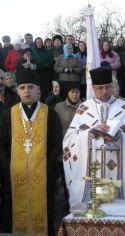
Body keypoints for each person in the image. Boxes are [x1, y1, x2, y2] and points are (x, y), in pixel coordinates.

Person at [63, 67, 125, 208]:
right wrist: (90, 133)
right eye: (99, 88)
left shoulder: (124, 108)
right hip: (93, 166)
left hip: (119, 168)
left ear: (113, 86)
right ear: (93, 88)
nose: (104, 91)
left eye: (107, 87)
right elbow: (69, 140)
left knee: (120, 210)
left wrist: (120, 136)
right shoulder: (84, 108)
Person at [0, 66, 63, 235]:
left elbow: (56, 144)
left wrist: (45, 167)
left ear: (39, 90)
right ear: (17, 91)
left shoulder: (50, 114)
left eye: (30, 87)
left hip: (44, 174)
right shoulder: (7, 115)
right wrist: (11, 167)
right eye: (22, 88)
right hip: (14, 175)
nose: (26, 91)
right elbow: (2, 145)